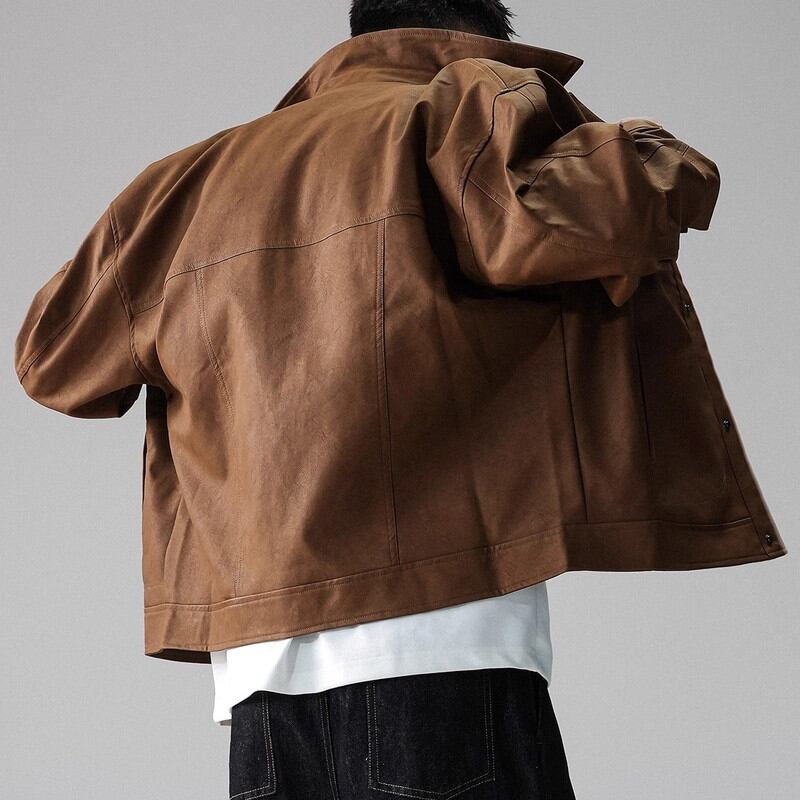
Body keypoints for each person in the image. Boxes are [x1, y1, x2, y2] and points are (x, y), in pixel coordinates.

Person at [13, 1, 787, 797]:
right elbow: (616, 211)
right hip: (441, 636)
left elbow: (53, 357)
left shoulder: (192, 181)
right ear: (474, 34)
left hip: (261, 676)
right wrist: (643, 140)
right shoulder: (465, 109)